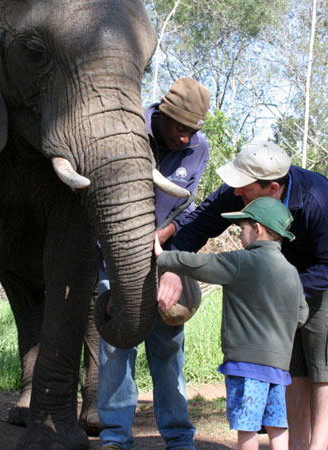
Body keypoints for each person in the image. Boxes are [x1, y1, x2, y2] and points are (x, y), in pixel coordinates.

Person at [160, 141, 328, 450]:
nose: (237, 192)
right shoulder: (241, 187)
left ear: (274, 189)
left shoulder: (318, 199)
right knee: (292, 368)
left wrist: (280, 286)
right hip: (279, 275)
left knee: (324, 366)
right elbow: (199, 224)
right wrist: (173, 268)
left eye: (245, 188)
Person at [98, 77, 211, 450]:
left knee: (168, 347)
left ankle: (179, 438)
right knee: (117, 347)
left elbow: (187, 208)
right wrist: (127, 251)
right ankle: (115, 438)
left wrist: (166, 250)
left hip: (165, 256)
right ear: (161, 116)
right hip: (116, 255)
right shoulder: (130, 129)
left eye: (192, 130)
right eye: (180, 128)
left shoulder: (197, 147)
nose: (185, 138)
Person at [154, 196, 308, 450]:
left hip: (245, 366)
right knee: (277, 424)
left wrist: (164, 257)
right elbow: (301, 315)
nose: (240, 236)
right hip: (279, 369)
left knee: (246, 425)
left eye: (242, 229)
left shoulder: (240, 261)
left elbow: (200, 264)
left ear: (257, 229)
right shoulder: (291, 270)